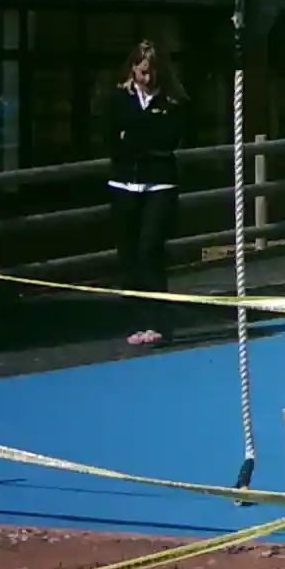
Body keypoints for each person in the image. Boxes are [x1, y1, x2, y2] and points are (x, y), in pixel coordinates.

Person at [103, 40, 189, 348]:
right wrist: (141, 134)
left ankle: (158, 321)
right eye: (142, 72)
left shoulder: (173, 102)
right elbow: (112, 139)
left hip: (159, 185)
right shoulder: (118, 99)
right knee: (127, 254)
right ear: (132, 70)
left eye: (152, 72)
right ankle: (136, 320)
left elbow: (168, 139)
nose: (147, 78)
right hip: (124, 184)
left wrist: (135, 134)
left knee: (150, 250)